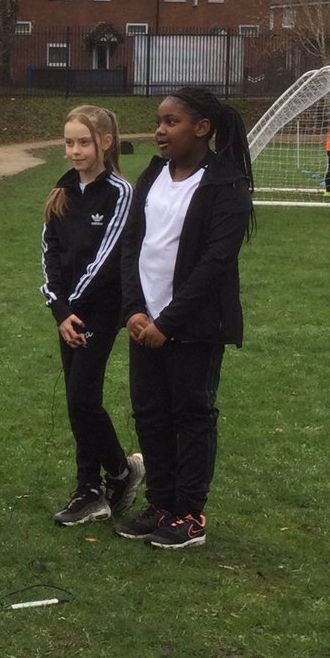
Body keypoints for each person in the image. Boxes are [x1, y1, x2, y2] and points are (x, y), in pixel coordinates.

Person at [115, 86, 254, 549]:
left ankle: (189, 515)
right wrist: (134, 310)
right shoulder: (153, 173)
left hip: (193, 328)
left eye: (171, 122)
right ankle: (161, 504)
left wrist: (167, 324)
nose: (159, 130)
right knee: (150, 415)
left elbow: (215, 264)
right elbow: (131, 243)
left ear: (202, 128)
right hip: (143, 322)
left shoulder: (226, 185)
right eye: (158, 121)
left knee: (191, 416)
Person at [40, 105, 145, 527]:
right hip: (68, 315)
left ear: (105, 142)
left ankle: (122, 472)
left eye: (83, 142)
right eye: (68, 142)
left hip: (100, 312)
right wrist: (59, 310)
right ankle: (90, 490)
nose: (75, 150)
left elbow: (106, 261)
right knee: (76, 400)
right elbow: (49, 252)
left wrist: (74, 309)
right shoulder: (62, 190)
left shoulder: (120, 192)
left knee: (83, 397)